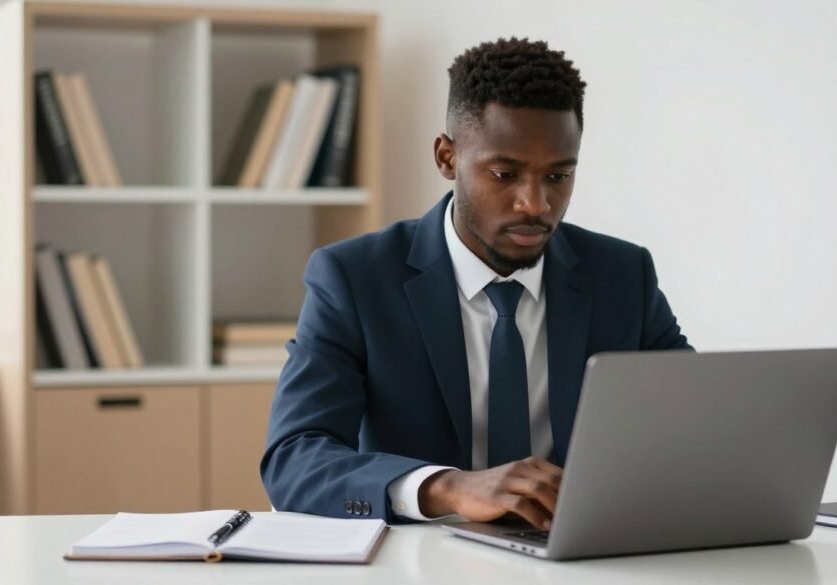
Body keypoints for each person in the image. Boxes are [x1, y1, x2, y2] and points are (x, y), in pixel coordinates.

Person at [261, 37, 690, 529]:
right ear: (447, 158)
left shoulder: (622, 276)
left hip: (579, 556)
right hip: (422, 560)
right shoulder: (355, 279)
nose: (536, 204)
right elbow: (293, 460)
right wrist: (447, 487)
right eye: (505, 173)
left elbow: (692, 426)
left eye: (558, 176)